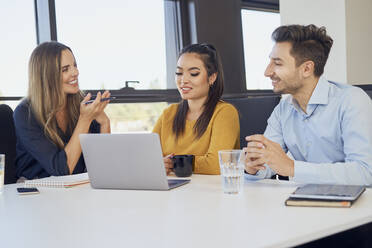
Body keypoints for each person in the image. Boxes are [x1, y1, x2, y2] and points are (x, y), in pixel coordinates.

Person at [244, 24, 372, 185]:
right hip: (305, 203)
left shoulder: (352, 101)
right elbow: (270, 164)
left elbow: (365, 172)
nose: (267, 72)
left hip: (356, 206)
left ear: (306, 69)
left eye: (277, 63)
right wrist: (253, 167)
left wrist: (292, 167)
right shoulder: (283, 109)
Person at [14, 41, 111, 180]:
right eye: (65, 69)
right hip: (36, 193)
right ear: (46, 76)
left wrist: (104, 123)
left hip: (75, 190)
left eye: (75, 66)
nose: (75, 73)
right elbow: (61, 170)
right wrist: (85, 120)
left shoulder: (80, 105)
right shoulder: (25, 113)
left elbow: (103, 168)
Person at [153, 43, 240, 175]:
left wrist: (173, 163)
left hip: (209, 192)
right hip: (172, 190)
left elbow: (216, 164)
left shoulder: (225, 112)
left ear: (212, 77)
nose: (183, 80)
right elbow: (148, 158)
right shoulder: (169, 113)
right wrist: (159, 164)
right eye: (179, 73)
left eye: (193, 74)